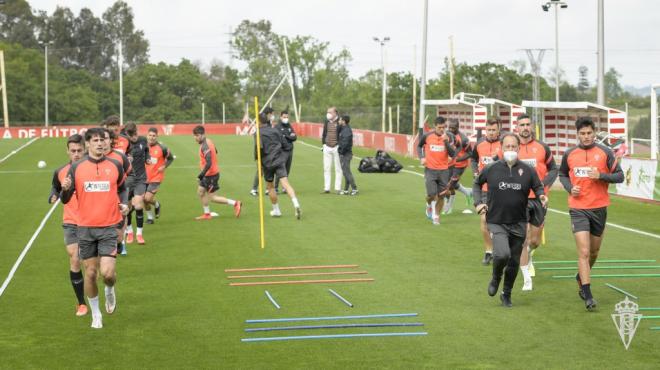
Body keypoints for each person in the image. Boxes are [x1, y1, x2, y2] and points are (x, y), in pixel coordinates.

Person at [59, 127, 130, 329]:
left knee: (107, 273)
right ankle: (96, 314)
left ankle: (109, 289)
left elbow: (123, 188)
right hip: (85, 229)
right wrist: (64, 190)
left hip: (108, 227)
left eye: (102, 140)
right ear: (87, 144)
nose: (100, 143)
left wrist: (125, 204)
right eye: (95, 140)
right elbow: (66, 199)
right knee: (90, 273)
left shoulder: (115, 165)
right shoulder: (77, 168)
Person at [473, 134, 547, 307]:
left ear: (518, 148)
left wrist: (541, 195)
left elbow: (537, 186)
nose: (511, 150)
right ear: (501, 147)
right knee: (502, 254)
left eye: (514, 147)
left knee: (514, 261)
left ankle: (506, 293)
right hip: (497, 220)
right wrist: (478, 203)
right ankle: (496, 277)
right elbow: (477, 184)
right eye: (507, 147)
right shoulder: (491, 168)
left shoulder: (528, 170)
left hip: (519, 221)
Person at [558, 117, 624, 311]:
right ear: (577, 134)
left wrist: (601, 176)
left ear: (594, 133)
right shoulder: (569, 154)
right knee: (584, 252)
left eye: (589, 133)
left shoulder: (605, 152)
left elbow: (619, 176)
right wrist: (570, 188)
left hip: (599, 208)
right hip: (578, 209)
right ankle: (587, 294)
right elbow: (562, 174)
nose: (586, 137)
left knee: (594, 252)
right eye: (582, 133)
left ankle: (581, 276)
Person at [515, 114, 558, 291]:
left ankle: (530, 255)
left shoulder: (542, 148)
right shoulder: (511, 147)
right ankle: (526, 278)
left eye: (527, 124)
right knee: (522, 239)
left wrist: (543, 184)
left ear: (532, 127)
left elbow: (554, 169)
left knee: (535, 240)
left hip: (539, 199)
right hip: (519, 199)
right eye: (522, 125)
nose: (525, 127)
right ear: (517, 128)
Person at [48, 134, 88, 317]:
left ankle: (98, 291)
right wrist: (54, 195)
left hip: (91, 221)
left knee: (91, 267)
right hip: (71, 221)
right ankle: (81, 303)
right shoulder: (60, 171)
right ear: (68, 151)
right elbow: (55, 187)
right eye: (73, 151)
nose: (77, 154)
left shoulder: (91, 168)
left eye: (80, 150)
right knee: (74, 257)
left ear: (84, 149)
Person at [254, 113, 302, 219]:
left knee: (270, 187)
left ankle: (276, 210)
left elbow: (258, 149)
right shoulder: (275, 130)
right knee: (285, 183)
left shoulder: (258, 133)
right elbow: (285, 144)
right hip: (279, 160)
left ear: (259, 121)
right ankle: (296, 204)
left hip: (267, 163)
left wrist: (259, 163)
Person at [193, 125, 242, 220]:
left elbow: (209, 163)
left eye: (197, 135)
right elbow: (216, 151)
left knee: (213, 198)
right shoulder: (209, 141)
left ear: (202, 135)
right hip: (207, 174)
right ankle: (207, 214)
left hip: (210, 175)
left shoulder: (205, 146)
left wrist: (200, 175)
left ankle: (236, 203)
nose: (195, 138)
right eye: (194, 136)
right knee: (200, 192)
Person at [471, 117, 502, 265]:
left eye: (493, 130)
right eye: (488, 130)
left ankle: (502, 250)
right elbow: (473, 159)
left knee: (500, 221)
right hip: (484, 189)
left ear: (498, 130)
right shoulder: (479, 144)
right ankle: (489, 251)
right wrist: (475, 172)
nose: (491, 132)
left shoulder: (504, 145)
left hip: (501, 190)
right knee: (484, 219)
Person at [417, 116, 456, 225]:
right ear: (435, 126)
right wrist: (422, 157)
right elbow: (419, 147)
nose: (442, 129)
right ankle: (429, 205)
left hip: (444, 171)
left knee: (441, 195)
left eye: (444, 127)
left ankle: (436, 216)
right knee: (431, 195)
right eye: (440, 127)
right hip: (430, 170)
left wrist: (446, 142)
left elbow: (452, 154)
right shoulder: (427, 136)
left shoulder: (449, 137)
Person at [102, 129, 132, 256]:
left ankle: (121, 242)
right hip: (101, 199)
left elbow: (131, 173)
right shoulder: (90, 158)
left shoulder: (120, 157)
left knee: (118, 232)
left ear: (111, 141)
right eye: (98, 140)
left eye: (105, 139)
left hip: (119, 196)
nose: (102, 143)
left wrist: (126, 187)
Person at [123, 123, 150, 245]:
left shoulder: (143, 140)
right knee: (127, 208)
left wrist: (147, 158)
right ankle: (129, 232)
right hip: (128, 179)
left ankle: (139, 234)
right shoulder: (123, 143)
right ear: (127, 134)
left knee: (138, 205)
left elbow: (146, 150)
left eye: (135, 134)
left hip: (140, 178)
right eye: (131, 135)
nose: (134, 137)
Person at [144, 127, 175, 224]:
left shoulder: (163, 148)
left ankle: (156, 204)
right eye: (150, 135)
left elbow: (170, 158)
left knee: (147, 198)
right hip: (143, 177)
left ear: (157, 136)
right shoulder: (143, 146)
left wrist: (164, 166)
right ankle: (150, 217)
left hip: (156, 177)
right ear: (147, 135)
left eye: (154, 136)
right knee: (144, 199)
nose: (152, 137)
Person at [443, 118, 473, 213]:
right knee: (449, 184)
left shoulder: (464, 139)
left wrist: (457, 159)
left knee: (449, 185)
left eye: (453, 128)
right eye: (450, 128)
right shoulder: (446, 134)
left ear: (458, 127)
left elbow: (470, 153)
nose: (451, 130)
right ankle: (467, 192)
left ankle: (448, 207)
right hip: (449, 164)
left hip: (460, 165)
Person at [250, 107, 276, 196]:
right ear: (268, 114)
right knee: (260, 171)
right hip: (262, 152)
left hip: (269, 152)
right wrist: (258, 155)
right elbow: (257, 138)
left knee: (269, 170)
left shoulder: (268, 124)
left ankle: (268, 189)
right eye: (272, 114)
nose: (272, 116)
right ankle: (254, 189)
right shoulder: (261, 123)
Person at [273, 110, 297, 193]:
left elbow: (294, 137)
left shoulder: (289, 125)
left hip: (290, 150)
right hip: (282, 151)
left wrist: (286, 136)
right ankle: (275, 188)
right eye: (284, 117)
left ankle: (284, 187)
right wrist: (289, 136)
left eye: (287, 117)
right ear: (280, 117)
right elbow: (279, 138)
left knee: (287, 170)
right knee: (280, 170)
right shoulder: (277, 126)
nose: (286, 118)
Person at [321, 106, 343, 194]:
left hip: (336, 147)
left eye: (330, 112)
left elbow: (342, 134)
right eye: (327, 112)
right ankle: (327, 188)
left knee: (338, 168)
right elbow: (324, 133)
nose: (328, 114)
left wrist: (340, 145)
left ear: (335, 113)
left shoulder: (340, 122)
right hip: (327, 147)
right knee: (326, 168)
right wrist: (323, 144)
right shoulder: (326, 121)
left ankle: (337, 188)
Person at [338, 114, 358, 195]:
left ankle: (354, 189)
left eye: (340, 120)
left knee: (346, 172)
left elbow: (345, 144)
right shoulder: (344, 129)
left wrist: (341, 152)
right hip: (344, 153)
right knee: (345, 171)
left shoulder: (346, 131)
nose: (339, 121)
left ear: (343, 121)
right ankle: (346, 189)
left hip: (346, 154)